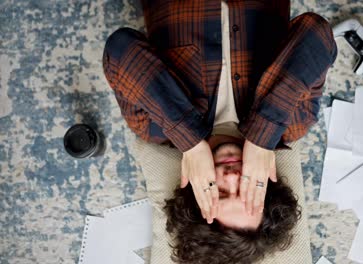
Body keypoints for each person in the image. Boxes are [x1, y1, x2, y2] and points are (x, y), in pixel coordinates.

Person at [103, 0, 337, 262]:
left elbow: (119, 47)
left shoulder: (153, 126)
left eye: (220, 191)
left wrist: (190, 142)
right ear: (266, 186)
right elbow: (316, 31)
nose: (233, 176)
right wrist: (262, 137)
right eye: (247, 188)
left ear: (196, 192)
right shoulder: (294, 120)